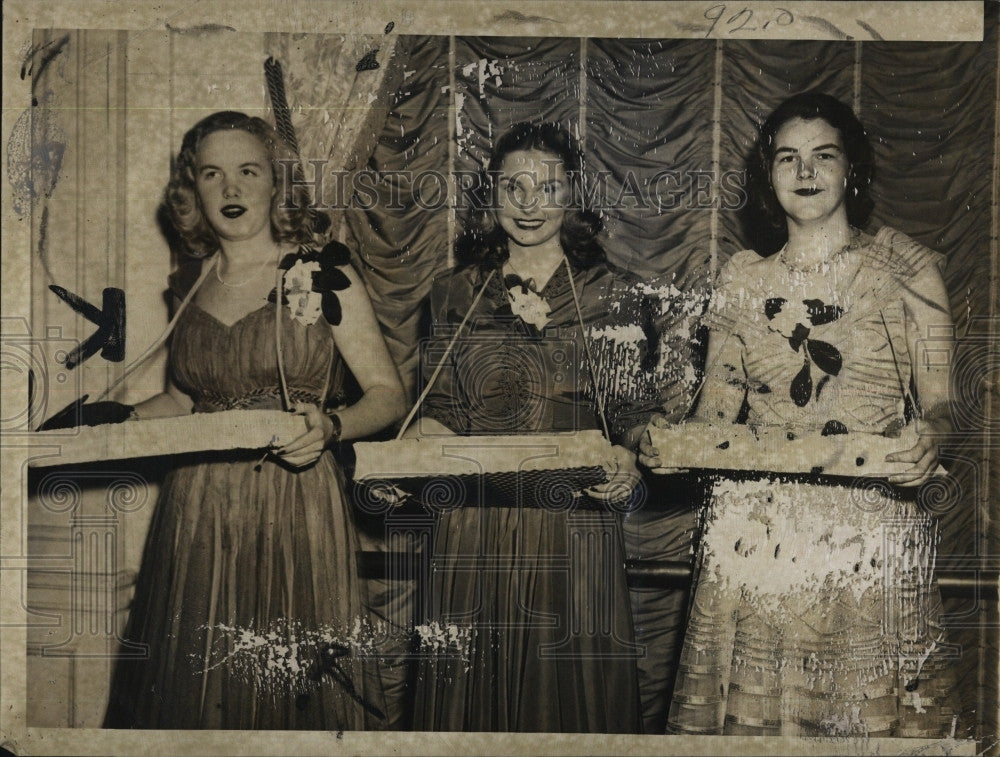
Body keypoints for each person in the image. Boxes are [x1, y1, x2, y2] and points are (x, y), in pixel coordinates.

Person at [55, 111, 408, 729]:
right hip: (196, 510)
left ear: (278, 184)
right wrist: (113, 420)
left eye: (248, 171)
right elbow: (187, 402)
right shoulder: (189, 284)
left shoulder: (323, 268)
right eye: (212, 174)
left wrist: (329, 427)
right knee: (196, 692)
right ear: (192, 191)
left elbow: (386, 394)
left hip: (295, 499)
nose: (231, 190)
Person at [641, 91, 958, 737]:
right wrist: (669, 442)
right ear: (769, 174)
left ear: (852, 170)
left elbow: (946, 404)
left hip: (868, 537)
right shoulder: (742, 278)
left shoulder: (908, 267)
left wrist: (934, 435)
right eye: (788, 158)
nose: (806, 172)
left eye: (823, 156)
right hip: (755, 534)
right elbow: (717, 413)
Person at [408, 122, 667, 733]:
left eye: (547, 187)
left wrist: (632, 457)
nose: (529, 204)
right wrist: (406, 455)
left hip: (572, 524)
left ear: (572, 196)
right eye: (512, 186)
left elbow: (630, 415)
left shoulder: (615, 296)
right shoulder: (454, 293)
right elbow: (440, 409)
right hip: (472, 524)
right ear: (490, 194)